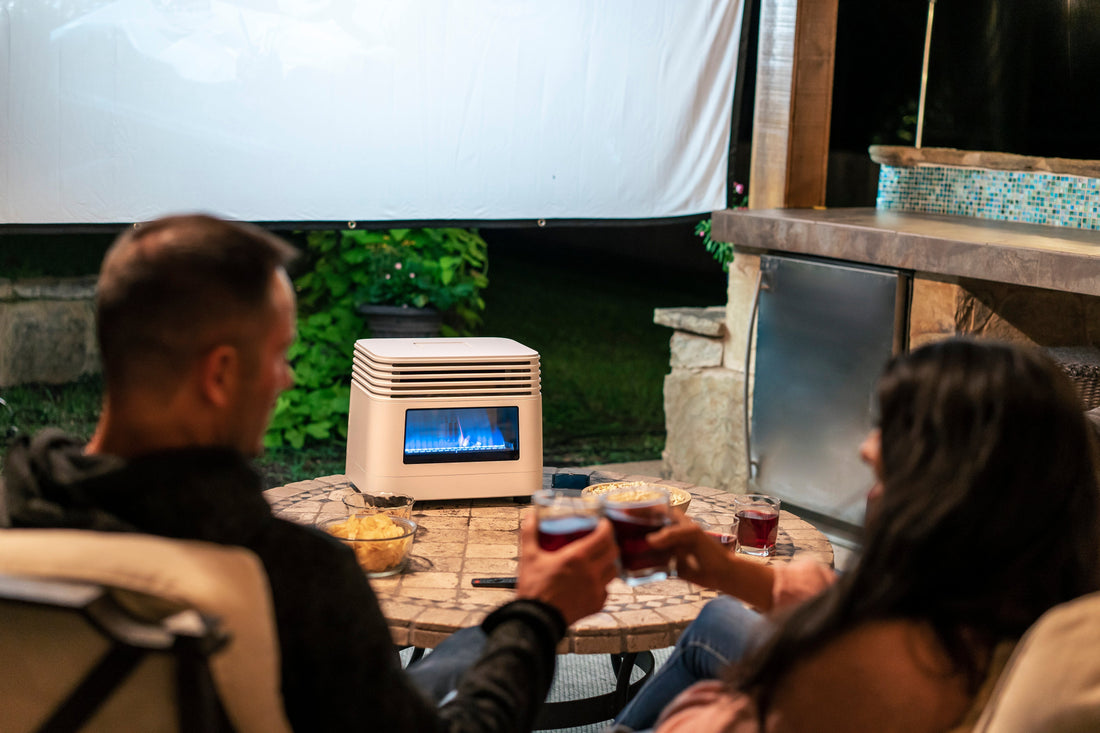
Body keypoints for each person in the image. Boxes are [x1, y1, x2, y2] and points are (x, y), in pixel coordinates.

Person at [0, 214, 620, 733]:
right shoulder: (295, 580)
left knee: (468, 648)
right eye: (277, 355)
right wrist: (539, 613)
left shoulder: (18, 507)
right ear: (218, 376)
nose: (287, 379)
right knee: (497, 643)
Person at [616, 338, 1100, 732]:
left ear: (953, 482)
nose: (867, 448)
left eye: (896, 429)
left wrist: (715, 705)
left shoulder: (862, 669)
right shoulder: (1011, 604)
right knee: (719, 614)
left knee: (702, 643)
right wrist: (729, 572)